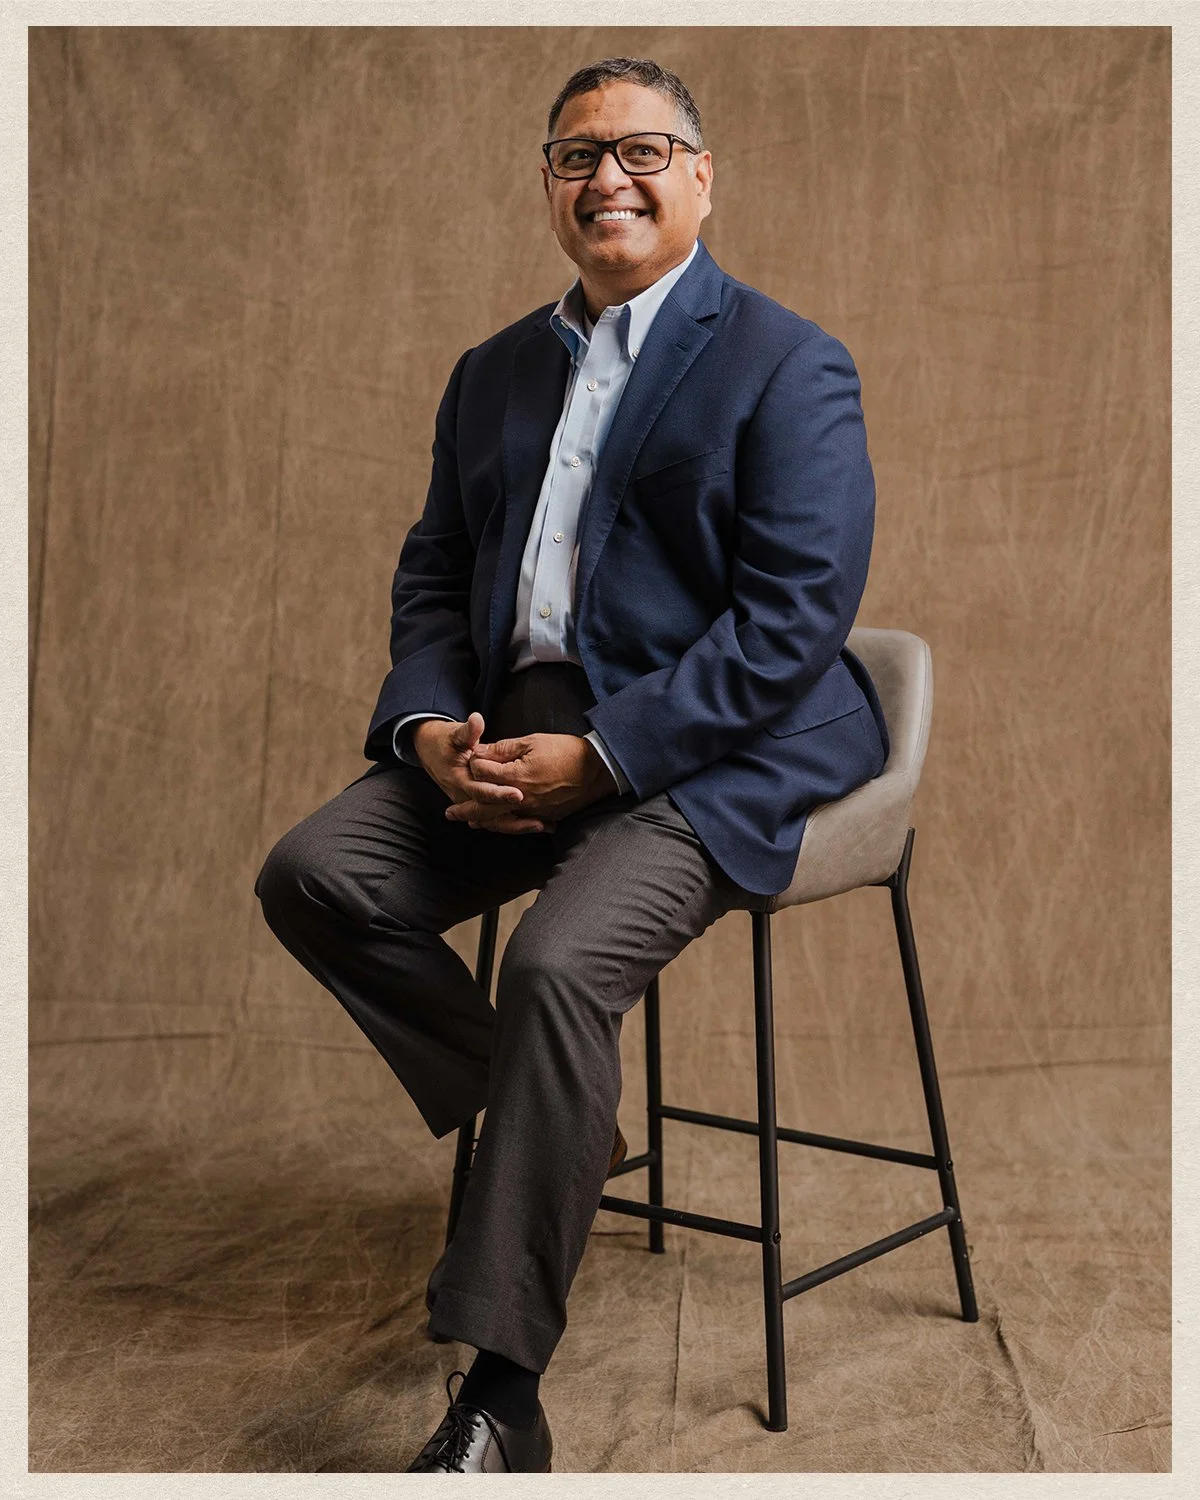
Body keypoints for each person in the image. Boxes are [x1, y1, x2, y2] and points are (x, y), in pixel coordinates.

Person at [254, 55, 890, 1474]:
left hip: (709, 747)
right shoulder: (492, 374)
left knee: (556, 970)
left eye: (646, 150)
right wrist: (428, 728)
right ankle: (559, 1110)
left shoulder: (787, 362)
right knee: (314, 875)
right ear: (549, 186)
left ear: (703, 177)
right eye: (576, 155)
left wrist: (600, 759)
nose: (610, 176)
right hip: (507, 740)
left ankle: (500, 1391)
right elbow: (432, 573)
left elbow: (792, 624)